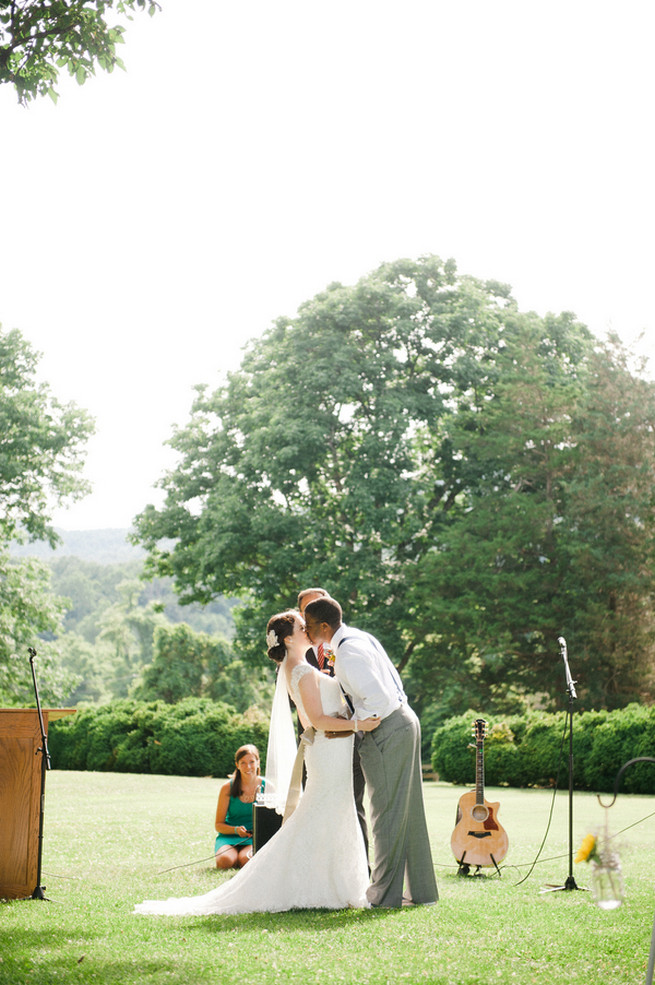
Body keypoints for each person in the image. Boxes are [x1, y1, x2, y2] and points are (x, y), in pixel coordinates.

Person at [134, 610, 380, 916]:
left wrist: (339, 719)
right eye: (302, 627)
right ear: (289, 639)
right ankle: (328, 886)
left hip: (332, 749)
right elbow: (315, 719)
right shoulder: (300, 671)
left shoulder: (296, 667)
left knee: (331, 814)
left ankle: (333, 885)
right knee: (324, 813)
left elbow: (308, 719)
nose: (309, 629)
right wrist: (358, 725)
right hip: (330, 751)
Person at [303, 596, 438, 909]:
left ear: (324, 626)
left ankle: (383, 897)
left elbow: (375, 702)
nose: (308, 632)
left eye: (309, 627)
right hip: (404, 720)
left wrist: (352, 724)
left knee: (385, 814)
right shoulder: (360, 637)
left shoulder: (348, 652)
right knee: (408, 813)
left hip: (387, 731)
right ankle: (422, 892)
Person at [298, 586, 369, 861]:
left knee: (354, 804)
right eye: (308, 611)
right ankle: (318, 867)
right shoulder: (297, 655)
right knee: (316, 805)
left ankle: (361, 869)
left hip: (350, 739)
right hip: (315, 742)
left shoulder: (346, 646)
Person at [213, 744, 263, 870]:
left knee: (246, 860)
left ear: (258, 762)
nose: (248, 767)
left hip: (253, 838)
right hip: (229, 837)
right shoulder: (226, 788)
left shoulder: (267, 787)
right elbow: (218, 825)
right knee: (225, 861)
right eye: (243, 763)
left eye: (252, 762)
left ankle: (241, 856)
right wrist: (236, 830)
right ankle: (232, 855)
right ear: (237, 765)